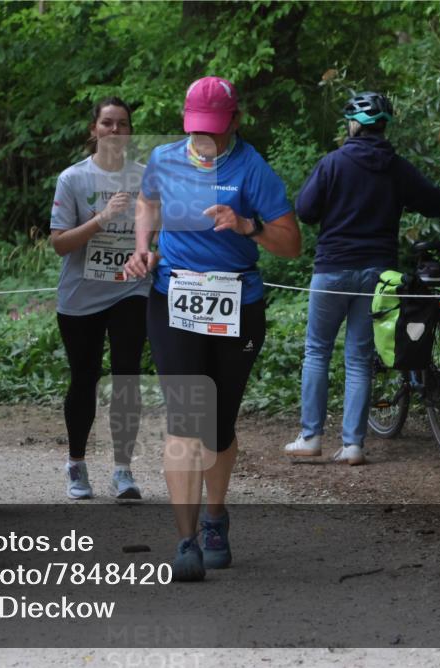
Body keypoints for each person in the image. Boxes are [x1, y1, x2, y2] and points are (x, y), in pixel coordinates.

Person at [124, 77, 301, 580]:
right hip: (173, 300)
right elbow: (147, 202)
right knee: (185, 420)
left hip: (237, 303)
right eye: (198, 129)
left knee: (218, 426)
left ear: (236, 122)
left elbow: (292, 244)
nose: (206, 139)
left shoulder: (253, 169)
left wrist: (249, 226)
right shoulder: (163, 158)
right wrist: (143, 246)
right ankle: (186, 541)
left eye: (216, 130)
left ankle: (215, 518)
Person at [284, 91, 440, 465]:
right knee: (358, 359)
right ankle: (353, 445)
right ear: (384, 127)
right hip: (378, 274)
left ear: (354, 125)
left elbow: (306, 210)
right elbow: (436, 201)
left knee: (317, 351)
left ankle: (311, 437)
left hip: (332, 270)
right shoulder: (398, 168)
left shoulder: (332, 163)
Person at [49, 97, 150, 500]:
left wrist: (152, 254)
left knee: (127, 376)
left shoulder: (145, 178)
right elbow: (59, 244)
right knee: (84, 378)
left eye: (122, 124)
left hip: (130, 288)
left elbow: (160, 233)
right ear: (94, 129)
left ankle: (123, 470)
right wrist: (102, 218)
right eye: (107, 123)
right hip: (81, 294)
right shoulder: (73, 179)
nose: (114, 130)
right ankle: (77, 463)